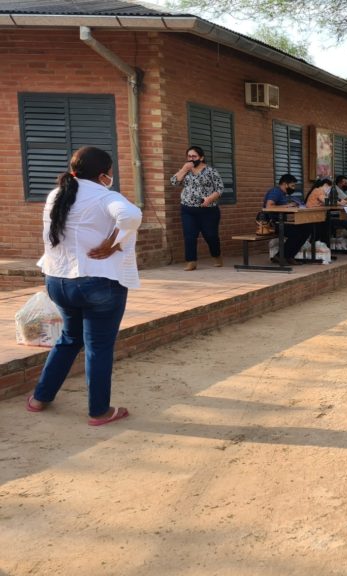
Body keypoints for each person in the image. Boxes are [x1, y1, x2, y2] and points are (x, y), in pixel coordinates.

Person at [27, 146, 143, 426]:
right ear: (104, 174)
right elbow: (131, 215)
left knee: (69, 338)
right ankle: (99, 411)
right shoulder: (106, 196)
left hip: (58, 281)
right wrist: (114, 241)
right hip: (97, 283)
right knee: (98, 347)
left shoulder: (57, 194)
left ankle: (40, 397)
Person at [171, 145, 224, 271]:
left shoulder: (211, 171)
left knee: (210, 236)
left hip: (208, 210)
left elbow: (220, 189)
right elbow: (174, 182)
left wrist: (209, 199)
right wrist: (184, 170)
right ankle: (191, 261)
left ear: (201, 157)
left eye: (194, 156)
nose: (191, 159)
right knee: (189, 236)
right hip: (188, 209)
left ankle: (216, 255)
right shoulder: (185, 170)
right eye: (189, 156)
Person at [263, 174, 310, 265]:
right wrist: (287, 205)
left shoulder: (283, 194)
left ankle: (289, 256)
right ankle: (281, 256)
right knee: (296, 232)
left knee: (306, 228)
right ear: (285, 184)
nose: (294, 188)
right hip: (272, 224)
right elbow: (269, 206)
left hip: (281, 222)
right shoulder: (275, 192)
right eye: (292, 185)